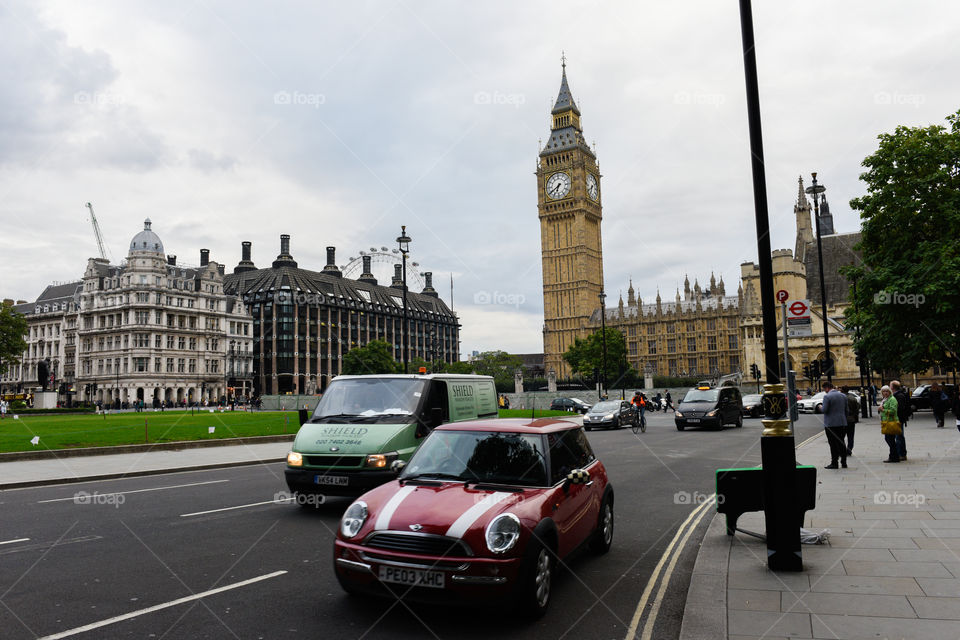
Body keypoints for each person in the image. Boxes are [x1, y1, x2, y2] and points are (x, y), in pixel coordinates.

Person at [821, 381, 848, 469]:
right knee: (841, 442)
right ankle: (844, 462)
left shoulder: (827, 396)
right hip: (842, 423)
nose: (825, 391)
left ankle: (834, 463)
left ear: (827, 388)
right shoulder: (843, 396)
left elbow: (824, 410)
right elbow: (846, 410)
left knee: (833, 444)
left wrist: (820, 407)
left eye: (824, 389)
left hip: (831, 424)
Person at [891, 380, 910, 461]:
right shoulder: (897, 395)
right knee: (899, 437)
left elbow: (900, 408)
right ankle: (901, 454)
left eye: (890, 385)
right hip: (898, 419)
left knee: (899, 437)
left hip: (898, 419)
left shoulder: (899, 396)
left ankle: (901, 454)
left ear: (892, 387)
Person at [879, 385, 900, 462]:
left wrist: (883, 410)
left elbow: (893, 411)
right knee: (889, 439)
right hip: (886, 421)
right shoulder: (885, 399)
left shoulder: (892, 399)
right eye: (883, 391)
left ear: (890, 392)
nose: (885, 393)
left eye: (887, 391)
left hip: (891, 421)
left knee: (890, 439)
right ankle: (894, 456)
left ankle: (894, 456)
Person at [841, 386, 859, 456]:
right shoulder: (853, 398)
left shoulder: (841, 398)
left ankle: (843, 450)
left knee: (842, 436)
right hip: (851, 419)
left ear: (842, 390)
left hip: (843, 420)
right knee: (851, 436)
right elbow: (857, 409)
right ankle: (849, 450)